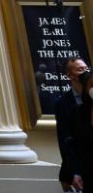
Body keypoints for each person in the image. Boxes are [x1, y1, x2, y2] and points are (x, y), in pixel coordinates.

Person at [56, 57, 93, 192]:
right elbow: (64, 137)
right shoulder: (63, 103)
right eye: (80, 69)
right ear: (69, 76)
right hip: (81, 162)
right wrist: (74, 170)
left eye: (86, 68)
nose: (85, 72)